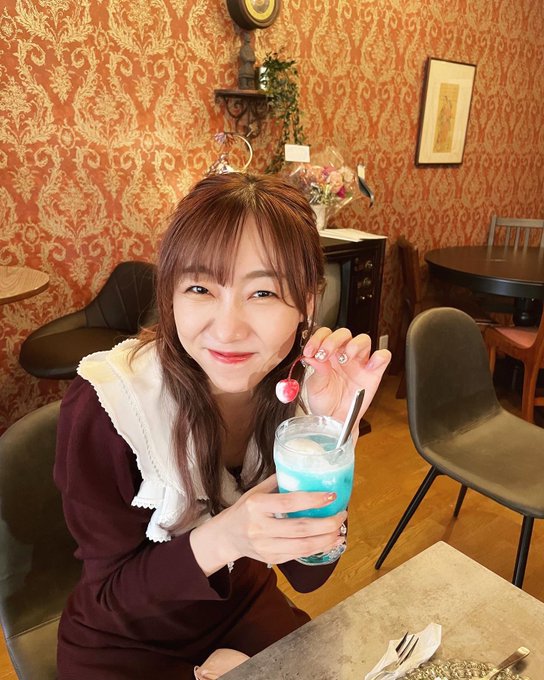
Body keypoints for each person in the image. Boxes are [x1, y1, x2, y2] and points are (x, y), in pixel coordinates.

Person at [54, 172, 391, 680]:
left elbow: (307, 575)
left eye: (263, 293)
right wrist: (226, 538)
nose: (228, 329)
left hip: (238, 608)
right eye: (199, 288)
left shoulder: (306, 390)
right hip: (123, 640)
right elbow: (107, 600)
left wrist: (331, 435)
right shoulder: (110, 406)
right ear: (170, 295)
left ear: (308, 301)